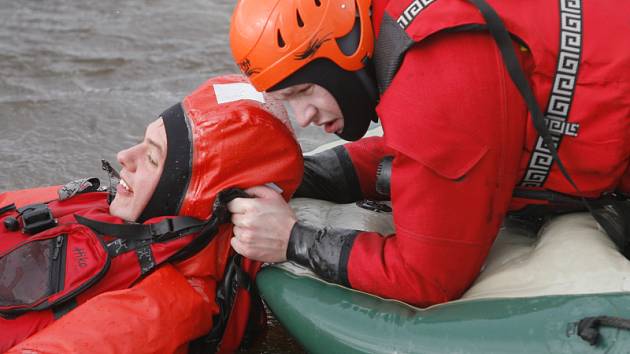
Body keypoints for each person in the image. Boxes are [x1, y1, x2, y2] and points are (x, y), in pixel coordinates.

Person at [226, 0, 630, 307]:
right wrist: (307, 174)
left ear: (345, 49)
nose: (304, 117)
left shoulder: (436, 74)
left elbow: (429, 278)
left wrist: (293, 240)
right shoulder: (403, 22)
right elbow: (424, 148)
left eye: (303, 91)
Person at [0, 74, 303, 353]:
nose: (125, 157)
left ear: (194, 201)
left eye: (153, 158)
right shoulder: (96, 206)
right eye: (143, 142)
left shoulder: (163, 309)